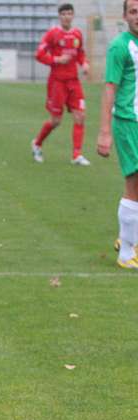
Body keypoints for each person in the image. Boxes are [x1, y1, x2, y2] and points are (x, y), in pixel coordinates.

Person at [97, 0, 138, 269]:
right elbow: (110, 88)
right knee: (134, 185)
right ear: (124, 16)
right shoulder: (120, 46)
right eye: (134, 11)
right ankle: (126, 253)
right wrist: (104, 132)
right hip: (129, 122)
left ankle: (128, 238)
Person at [32, 3, 91, 165]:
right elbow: (39, 54)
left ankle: (76, 155)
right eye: (64, 13)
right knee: (56, 121)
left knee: (80, 116)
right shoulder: (53, 34)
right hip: (57, 82)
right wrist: (56, 59)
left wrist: (84, 63)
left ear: (73, 16)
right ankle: (37, 144)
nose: (66, 16)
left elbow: (80, 53)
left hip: (74, 82)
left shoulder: (77, 34)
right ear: (60, 16)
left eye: (69, 13)